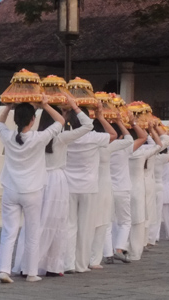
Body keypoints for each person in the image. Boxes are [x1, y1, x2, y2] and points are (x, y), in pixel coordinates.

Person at [12, 91, 92, 278]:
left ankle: (29, 264)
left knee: (36, 223)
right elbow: (88, 125)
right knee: (55, 223)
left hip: (39, 179)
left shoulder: (37, 136)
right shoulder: (60, 137)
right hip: (56, 181)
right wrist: (74, 107)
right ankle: (51, 265)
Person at [0, 98, 66, 283]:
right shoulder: (39, 138)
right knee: (33, 232)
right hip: (33, 191)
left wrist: (8, 107)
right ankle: (31, 272)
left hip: (11, 189)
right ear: (32, 120)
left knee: (9, 232)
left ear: (16, 119)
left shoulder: (8, 136)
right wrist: (45, 105)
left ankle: (4, 270)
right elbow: (61, 121)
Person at [64, 105, 117, 273]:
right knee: (86, 227)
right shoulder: (94, 137)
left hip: (69, 185)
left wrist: (66, 117)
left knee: (70, 226)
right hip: (88, 187)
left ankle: (69, 263)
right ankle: (81, 264)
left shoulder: (66, 137)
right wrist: (101, 117)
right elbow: (114, 135)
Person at [89, 111, 133, 269]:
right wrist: (118, 121)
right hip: (105, 186)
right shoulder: (109, 145)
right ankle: (97, 257)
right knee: (105, 222)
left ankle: (104, 253)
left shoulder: (88, 142)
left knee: (91, 223)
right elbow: (128, 139)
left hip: (91, 185)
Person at [106, 113, 146, 264]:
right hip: (122, 188)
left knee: (108, 222)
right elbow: (142, 137)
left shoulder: (102, 145)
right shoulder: (124, 148)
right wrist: (127, 123)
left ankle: (107, 252)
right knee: (125, 221)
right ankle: (118, 248)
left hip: (107, 188)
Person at [127, 120, 163, 260]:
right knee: (138, 221)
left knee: (123, 222)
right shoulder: (142, 152)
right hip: (138, 188)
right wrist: (150, 130)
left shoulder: (119, 150)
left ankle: (121, 246)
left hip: (123, 188)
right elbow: (159, 145)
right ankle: (135, 252)